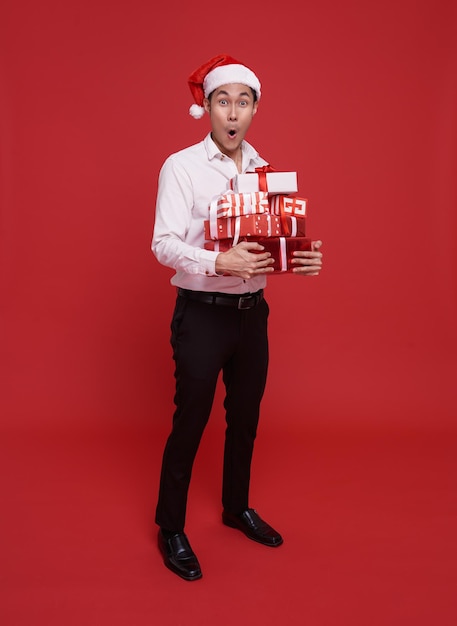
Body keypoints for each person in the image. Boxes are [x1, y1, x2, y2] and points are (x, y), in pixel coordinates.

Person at [151, 53, 323, 581]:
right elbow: (162, 244)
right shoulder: (180, 166)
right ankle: (171, 525)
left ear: (254, 109)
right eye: (222, 101)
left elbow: (268, 243)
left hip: (253, 315)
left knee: (245, 420)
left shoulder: (267, 171)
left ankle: (235, 507)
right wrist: (216, 260)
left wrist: (300, 257)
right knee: (192, 420)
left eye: (242, 102)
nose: (232, 112)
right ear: (206, 108)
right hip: (202, 314)